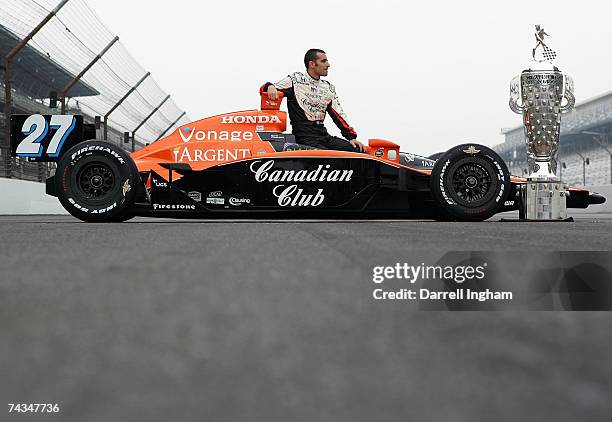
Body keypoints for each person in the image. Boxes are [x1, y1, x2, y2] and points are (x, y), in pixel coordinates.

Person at [260, 49, 365, 152]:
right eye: (323, 61)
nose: (328, 64)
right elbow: (266, 88)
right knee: (328, 156)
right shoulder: (295, 80)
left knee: (357, 150)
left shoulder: (328, 88)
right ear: (312, 64)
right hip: (304, 137)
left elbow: (339, 114)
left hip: (324, 136)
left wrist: (351, 137)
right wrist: (270, 86)